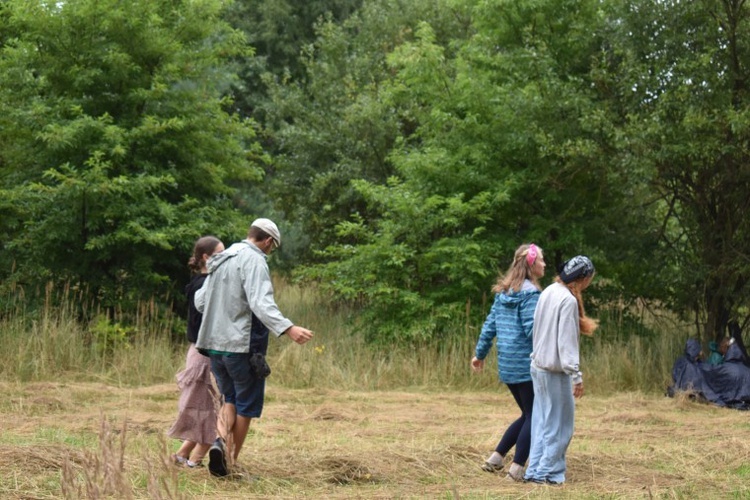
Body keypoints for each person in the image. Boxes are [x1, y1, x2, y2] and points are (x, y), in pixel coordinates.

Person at [194, 218, 314, 477]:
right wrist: (288, 328)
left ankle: (220, 444)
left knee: (229, 400)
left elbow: (200, 302)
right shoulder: (255, 259)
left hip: (215, 347)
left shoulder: (221, 258)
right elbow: (260, 302)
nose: (270, 252)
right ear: (268, 241)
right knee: (246, 406)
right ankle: (230, 464)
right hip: (242, 348)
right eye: (273, 247)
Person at [471, 243, 546, 481]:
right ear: (532, 265)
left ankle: (496, 458)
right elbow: (533, 330)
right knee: (535, 415)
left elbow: (489, 326)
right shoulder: (531, 295)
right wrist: (549, 355)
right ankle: (517, 469)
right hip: (525, 364)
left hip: (507, 365)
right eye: (542, 260)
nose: (545, 264)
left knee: (527, 413)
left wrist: (479, 355)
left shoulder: (503, 294)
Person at [524, 255, 598, 485]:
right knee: (560, 425)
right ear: (582, 278)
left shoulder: (548, 291)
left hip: (537, 368)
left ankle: (541, 471)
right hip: (555, 372)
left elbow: (536, 329)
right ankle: (543, 473)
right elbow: (566, 343)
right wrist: (576, 375)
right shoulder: (567, 300)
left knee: (542, 422)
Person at [168, 235, 225, 468]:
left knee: (205, 406)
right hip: (205, 355)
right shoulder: (205, 285)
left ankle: (182, 455)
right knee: (211, 409)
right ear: (206, 257)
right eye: (220, 254)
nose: (225, 258)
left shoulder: (199, 281)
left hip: (199, 352)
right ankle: (195, 460)